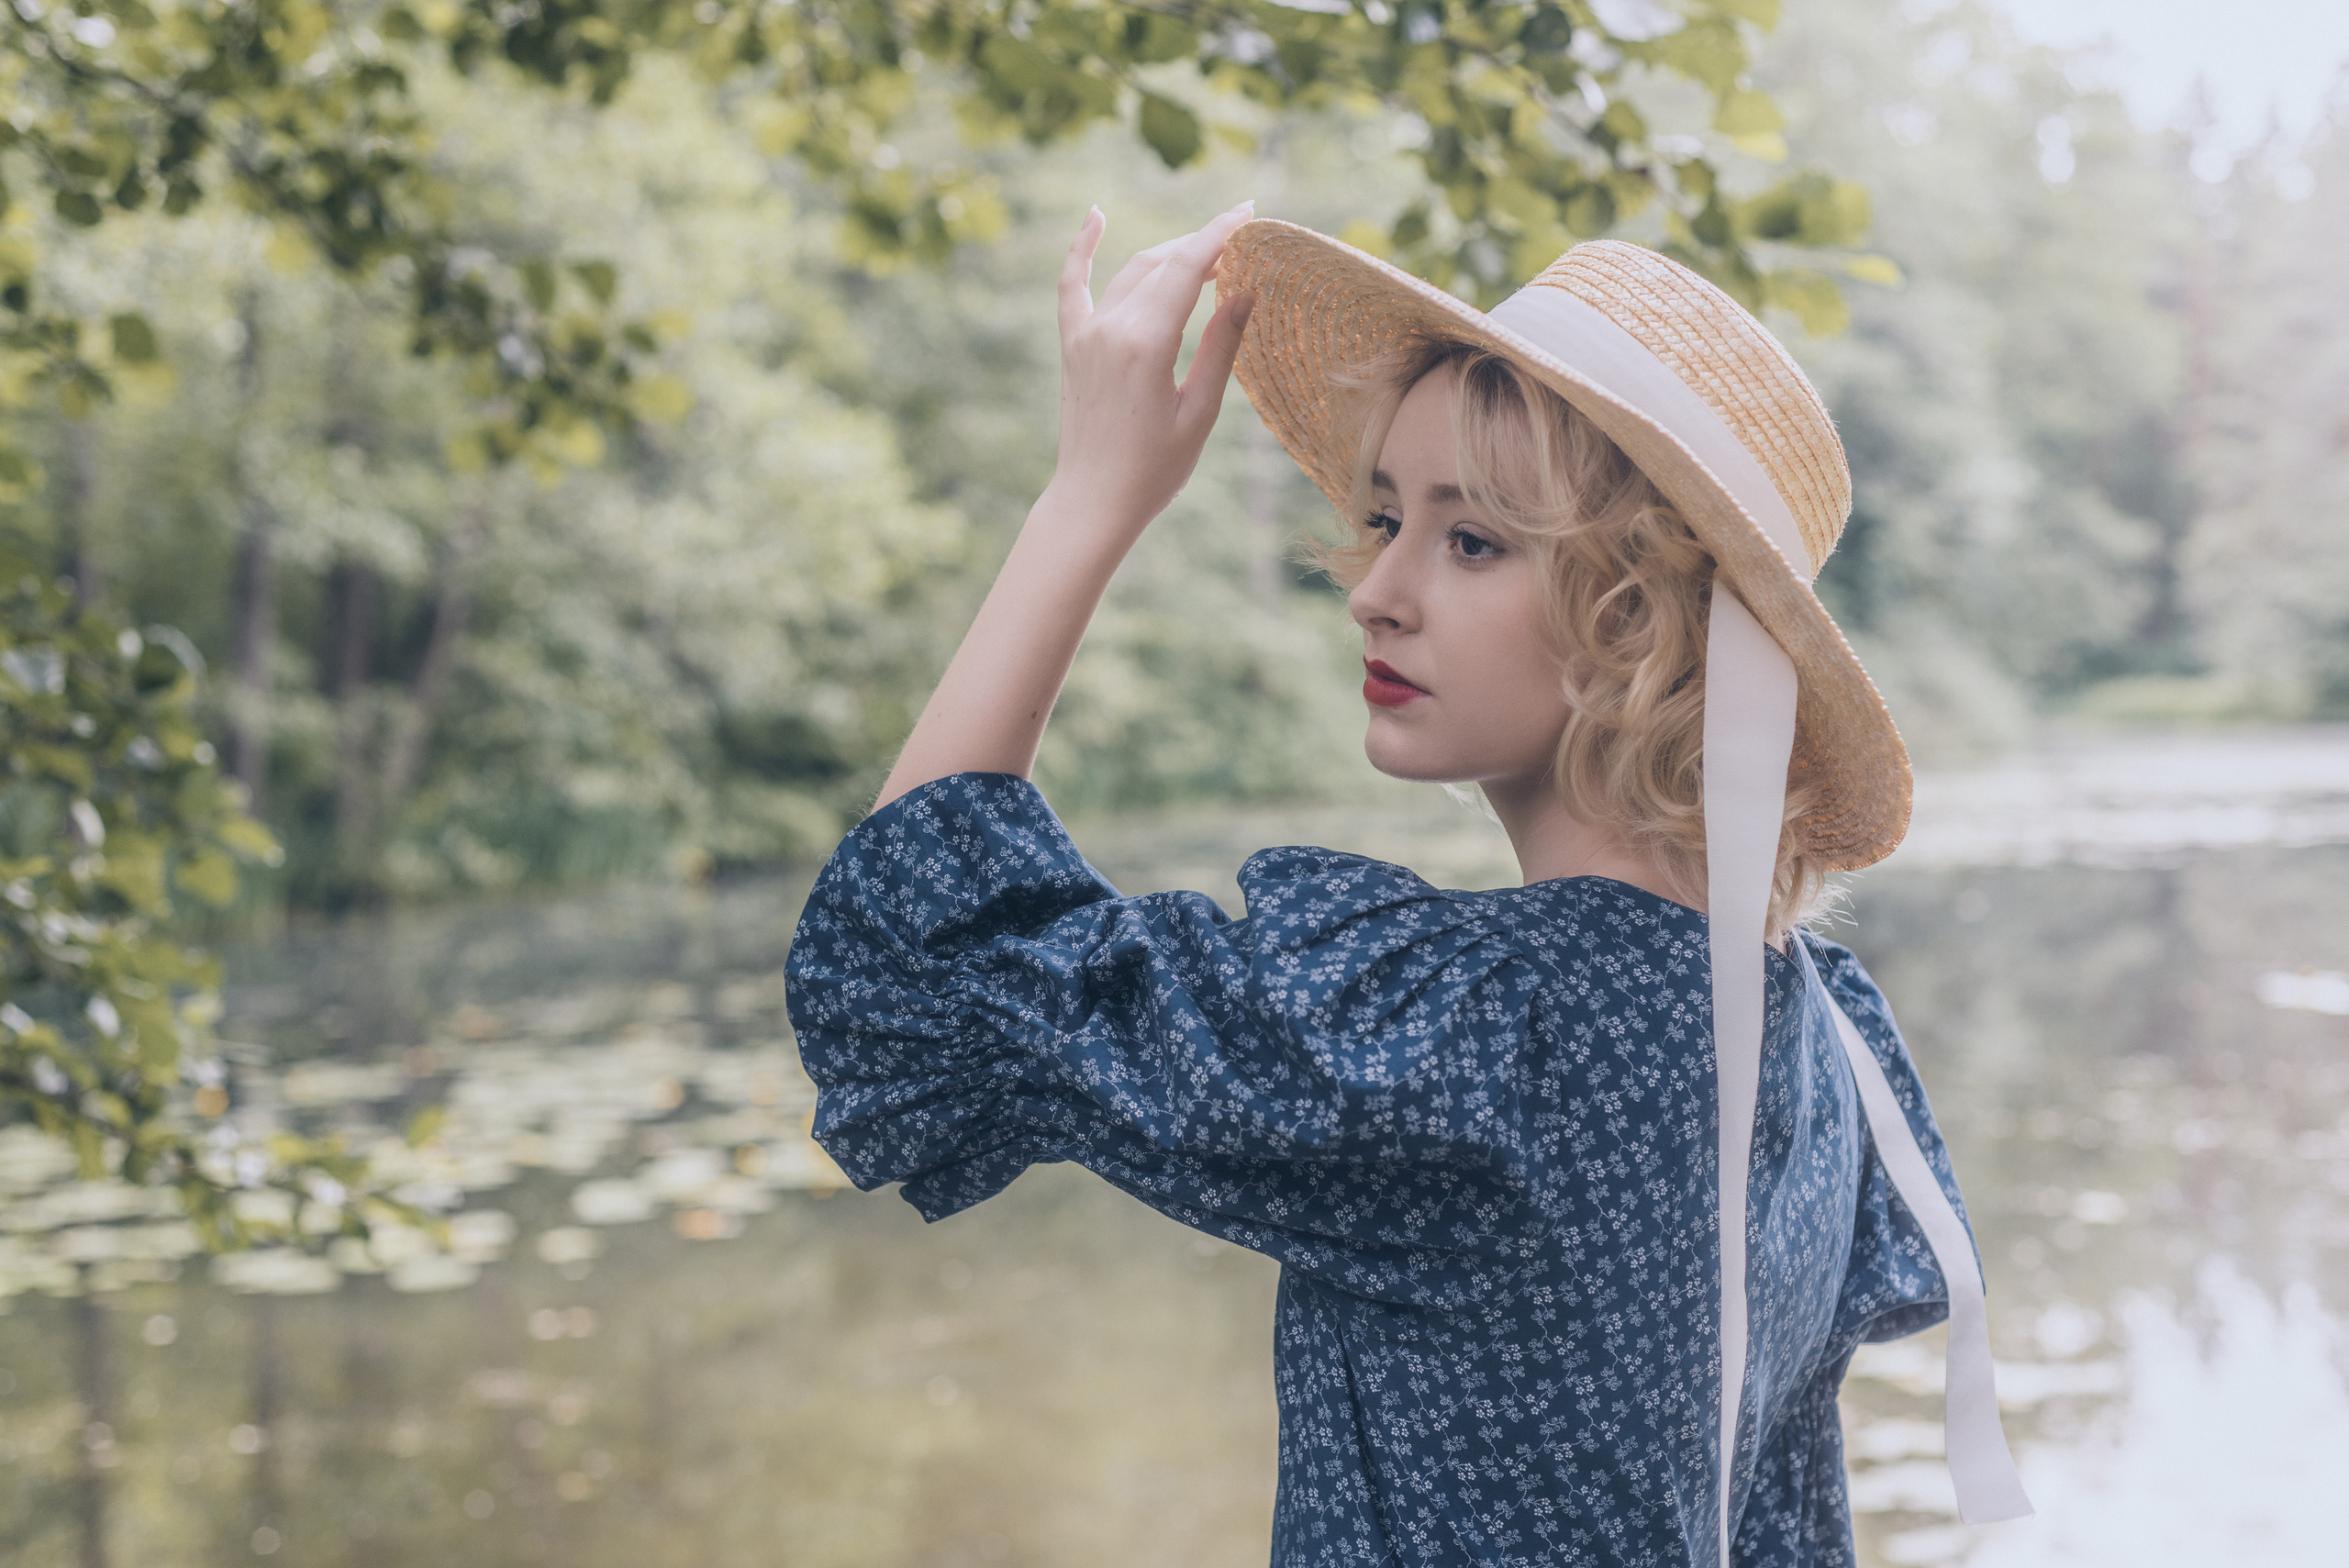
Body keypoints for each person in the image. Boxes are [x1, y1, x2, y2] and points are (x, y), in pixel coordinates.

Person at [785, 204, 2030, 1566]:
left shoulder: (1481, 1040)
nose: (1374, 588)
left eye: (1472, 539)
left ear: (1647, 624)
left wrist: (1092, 493)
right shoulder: (1818, 1034)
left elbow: (911, 960)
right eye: (1385, 516)